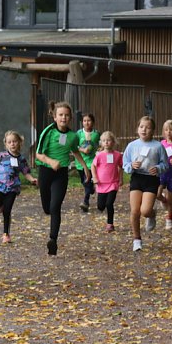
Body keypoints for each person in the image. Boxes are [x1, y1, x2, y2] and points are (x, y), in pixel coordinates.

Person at [35, 101, 91, 256]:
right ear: (55, 117)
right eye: (60, 115)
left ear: (70, 118)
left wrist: (85, 167)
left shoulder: (73, 136)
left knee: (55, 207)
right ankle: (51, 227)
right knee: (47, 208)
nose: (63, 118)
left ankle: (53, 240)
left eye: (66, 115)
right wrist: (51, 161)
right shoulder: (48, 132)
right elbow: (38, 154)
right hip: (46, 171)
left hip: (61, 174)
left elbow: (75, 150)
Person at [0, 130, 38, 244]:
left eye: (14, 141)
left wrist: (32, 180)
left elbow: (26, 172)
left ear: (19, 143)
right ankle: (0, 204)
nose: (12, 144)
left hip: (13, 188)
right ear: (6, 144)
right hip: (0, 187)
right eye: (9, 142)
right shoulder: (1, 156)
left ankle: (6, 234)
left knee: (7, 211)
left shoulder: (21, 159)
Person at [123, 116, 168, 252]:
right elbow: (125, 164)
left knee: (145, 211)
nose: (144, 130)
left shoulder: (158, 146)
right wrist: (131, 166)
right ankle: (137, 239)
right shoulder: (132, 145)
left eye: (148, 128)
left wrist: (158, 168)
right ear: (137, 129)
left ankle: (152, 214)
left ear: (153, 130)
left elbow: (165, 164)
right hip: (137, 178)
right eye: (141, 127)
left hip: (151, 179)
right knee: (135, 211)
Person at [91, 131, 124, 232]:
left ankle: (110, 224)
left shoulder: (117, 155)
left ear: (113, 142)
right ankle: (101, 207)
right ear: (101, 143)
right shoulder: (99, 155)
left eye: (108, 140)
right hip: (101, 184)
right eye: (104, 140)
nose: (106, 142)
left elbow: (120, 167)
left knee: (109, 204)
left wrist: (121, 178)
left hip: (113, 184)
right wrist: (94, 177)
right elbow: (93, 166)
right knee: (100, 206)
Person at [75, 113, 100, 213]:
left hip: (91, 162)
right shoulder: (78, 133)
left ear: (93, 122)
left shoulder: (96, 134)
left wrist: (99, 150)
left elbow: (100, 145)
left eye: (89, 121)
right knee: (84, 182)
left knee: (87, 180)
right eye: (84, 121)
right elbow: (74, 146)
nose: (86, 123)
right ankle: (91, 189)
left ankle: (85, 202)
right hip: (80, 162)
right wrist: (82, 150)